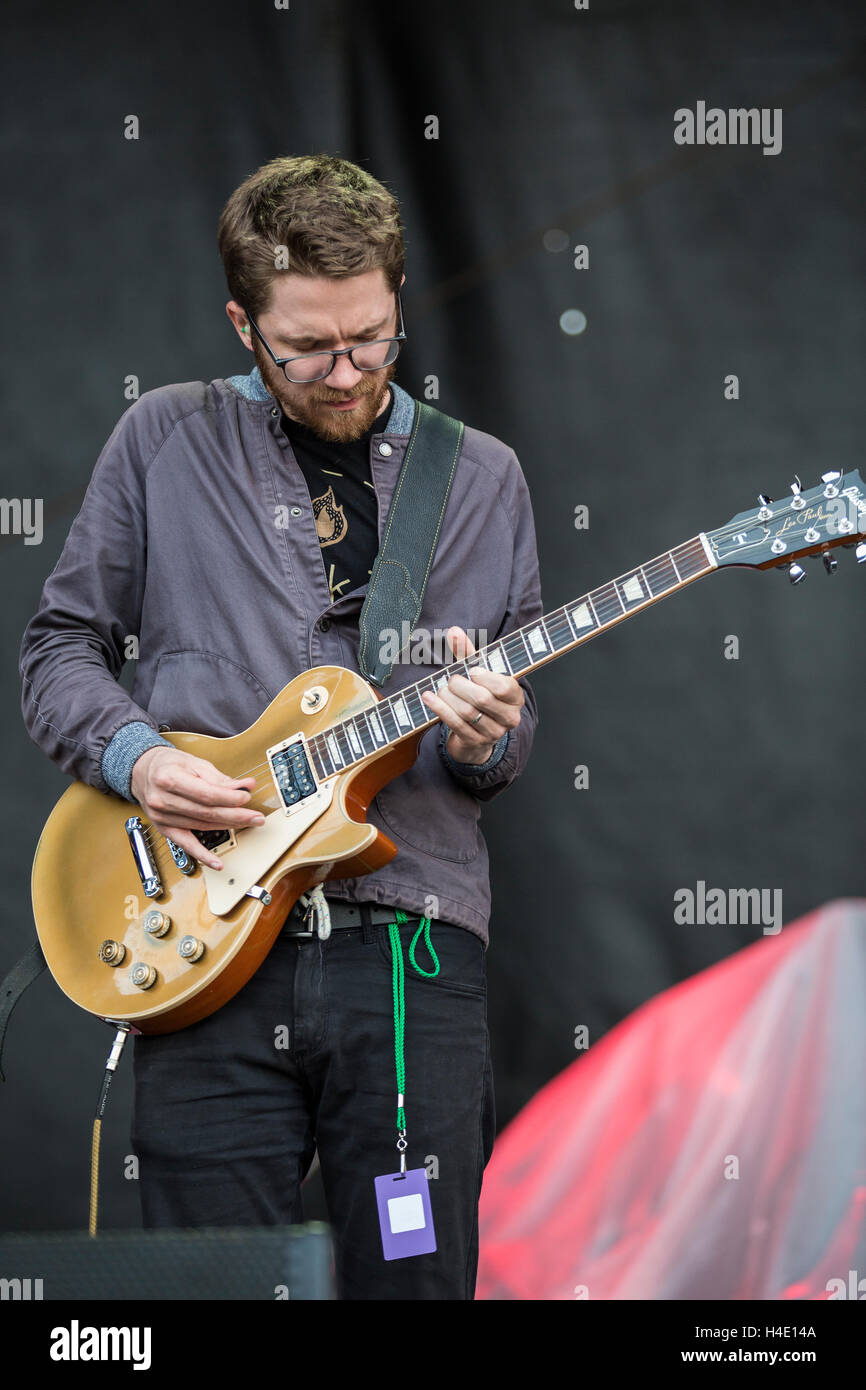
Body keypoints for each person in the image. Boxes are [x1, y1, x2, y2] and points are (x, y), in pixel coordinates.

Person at [19, 153, 544, 1300]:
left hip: (410, 950)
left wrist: (482, 733)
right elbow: (58, 651)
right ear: (242, 324)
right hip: (201, 940)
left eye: (371, 336)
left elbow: (501, 754)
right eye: (307, 345)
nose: (346, 370)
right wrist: (141, 758)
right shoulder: (162, 439)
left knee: (413, 1279)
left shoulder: (484, 478)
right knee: (211, 1289)